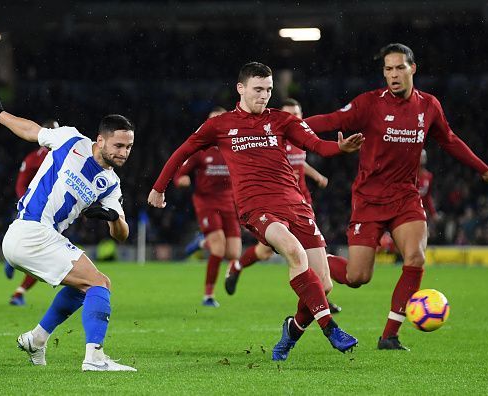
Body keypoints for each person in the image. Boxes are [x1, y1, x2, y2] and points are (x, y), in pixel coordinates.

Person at [148, 62, 364, 361]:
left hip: (296, 205)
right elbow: (183, 151)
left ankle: (293, 328)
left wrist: (340, 148)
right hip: (257, 208)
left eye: (269, 90)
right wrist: (159, 187)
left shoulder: (281, 120)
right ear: (241, 88)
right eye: (258, 89)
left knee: (323, 285)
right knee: (294, 252)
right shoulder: (220, 125)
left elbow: (316, 145)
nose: (264, 96)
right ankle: (331, 328)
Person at [305, 43, 488, 350]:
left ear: (412, 68)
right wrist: (287, 128)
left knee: (415, 257)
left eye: (399, 67)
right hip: (369, 198)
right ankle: (311, 263)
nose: (393, 74)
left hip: (405, 197)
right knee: (357, 276)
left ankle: (389, 335)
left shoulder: (429, 106)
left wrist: (483, 170)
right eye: (388, 69)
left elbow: (450, 140)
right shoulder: (370, 103)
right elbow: (331, 120)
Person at [0, 90, 137, 371]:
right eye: (118, 145)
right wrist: (0, 115)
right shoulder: (71, 140)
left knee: (88, 286)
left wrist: (113, 217)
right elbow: (32, 131)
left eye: (128, 147)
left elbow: (122, 234)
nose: (123, 153)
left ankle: (36, 339)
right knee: (99, 284)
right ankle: (95, 357)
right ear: (99, 140)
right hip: (31, 231)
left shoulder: (111, 184)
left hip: (37, 237)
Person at [224, 98, 341, 313]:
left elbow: (298, 161)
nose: (294, 118)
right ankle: (237, 265)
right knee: (270, 251)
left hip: (300, 201)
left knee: (306, 248)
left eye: (297, 114)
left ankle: (319, 294)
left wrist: (316, 175)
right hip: (273, 203)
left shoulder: (300, 138)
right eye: (289, 114)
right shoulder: (272, 139)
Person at [174, 106, 241, 307]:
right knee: (219, 249)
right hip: (206, 202)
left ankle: (202, 243)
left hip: (228, 202)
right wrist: (182, 180)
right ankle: (208, 296)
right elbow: (180, 173)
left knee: (233, 254)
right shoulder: (200, 149)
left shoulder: (235, 149)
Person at [5, 119, 59, 306]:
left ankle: (13, 267)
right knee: (42, 254)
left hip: (50, 212)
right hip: (39, 212)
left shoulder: (34, 158)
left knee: (38, 252)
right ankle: (18, 291)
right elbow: (21, 184)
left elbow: (20, 183)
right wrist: (27, 203)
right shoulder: (41, 158)